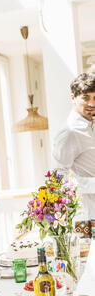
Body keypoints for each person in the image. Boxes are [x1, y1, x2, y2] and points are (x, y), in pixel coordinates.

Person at [52, 73, 95, 219]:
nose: (92, 103)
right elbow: (58, 179)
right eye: (86, 97)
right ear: (73, 98)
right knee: (88, 243)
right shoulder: (69, 132)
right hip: (88, 216)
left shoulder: (91, 124)